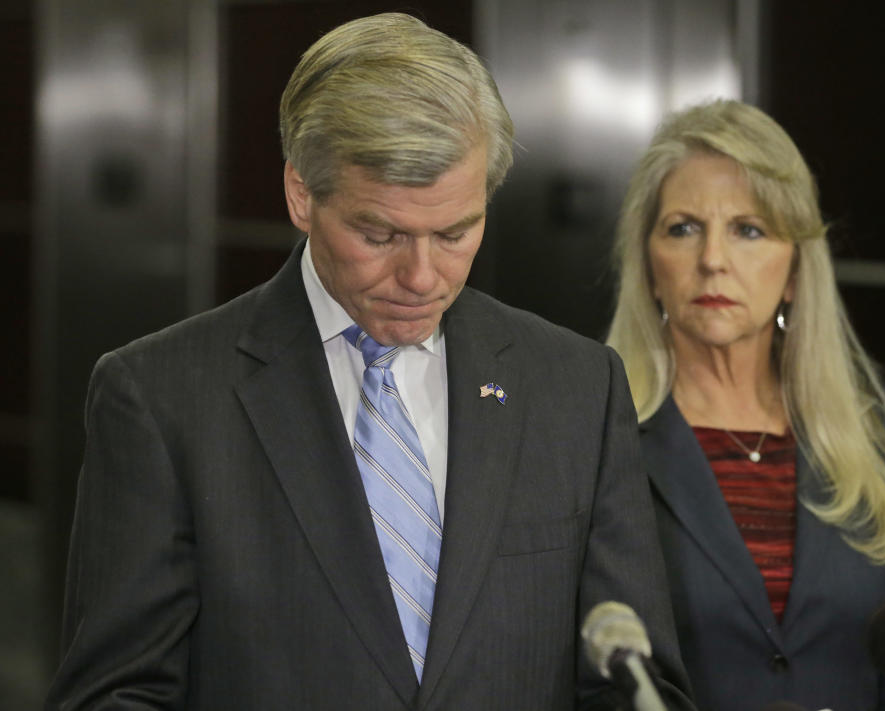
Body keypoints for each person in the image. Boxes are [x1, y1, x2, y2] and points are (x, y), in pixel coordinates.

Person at [46, 13, 696, 711]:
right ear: (302, 194)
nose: (422, 276)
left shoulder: (576, 389)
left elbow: (631, 678)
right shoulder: (161, 398)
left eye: (455, 232)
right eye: (379, 233)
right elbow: (116, 694)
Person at [606, 99, 885, 711]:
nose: (713, 260)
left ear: (794, 271)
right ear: (649, 267)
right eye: (683, 228)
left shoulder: (880, 444)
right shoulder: (598, 439)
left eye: (748, 229)